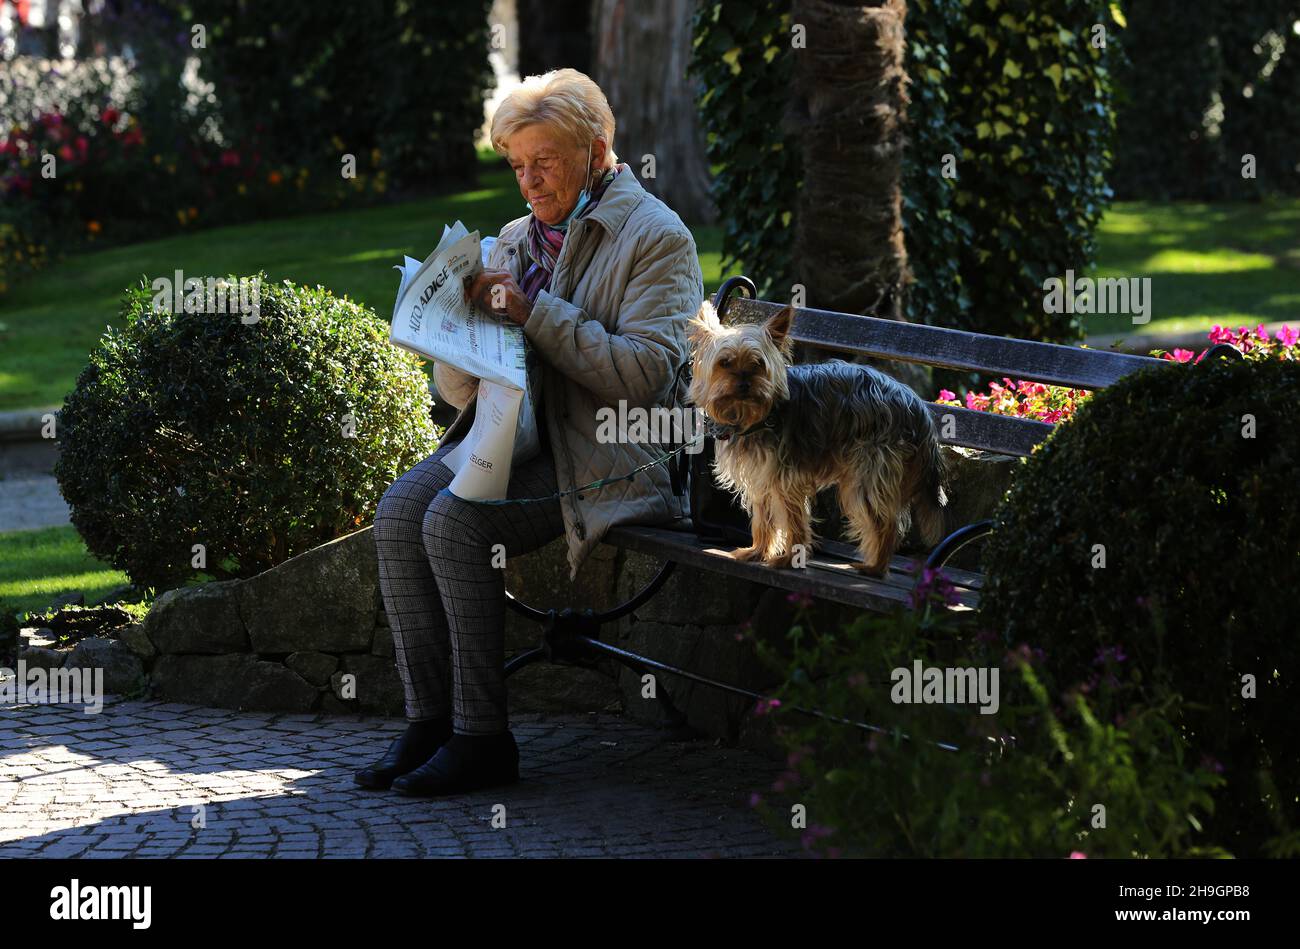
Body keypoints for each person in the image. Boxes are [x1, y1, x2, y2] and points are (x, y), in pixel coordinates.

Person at [356, 68, 703, 796]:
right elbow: (465, 390)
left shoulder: (658, 237)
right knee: (396, 511)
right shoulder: (515, 238)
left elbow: (646, 374)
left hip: (609, 456)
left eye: (542, 162)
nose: (527, 182)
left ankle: (482, 738)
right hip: (512, 441)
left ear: (597, 149)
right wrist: (457, 339)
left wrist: (531, 314)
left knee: (453, 523)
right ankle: (429, 723)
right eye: (516, 165)